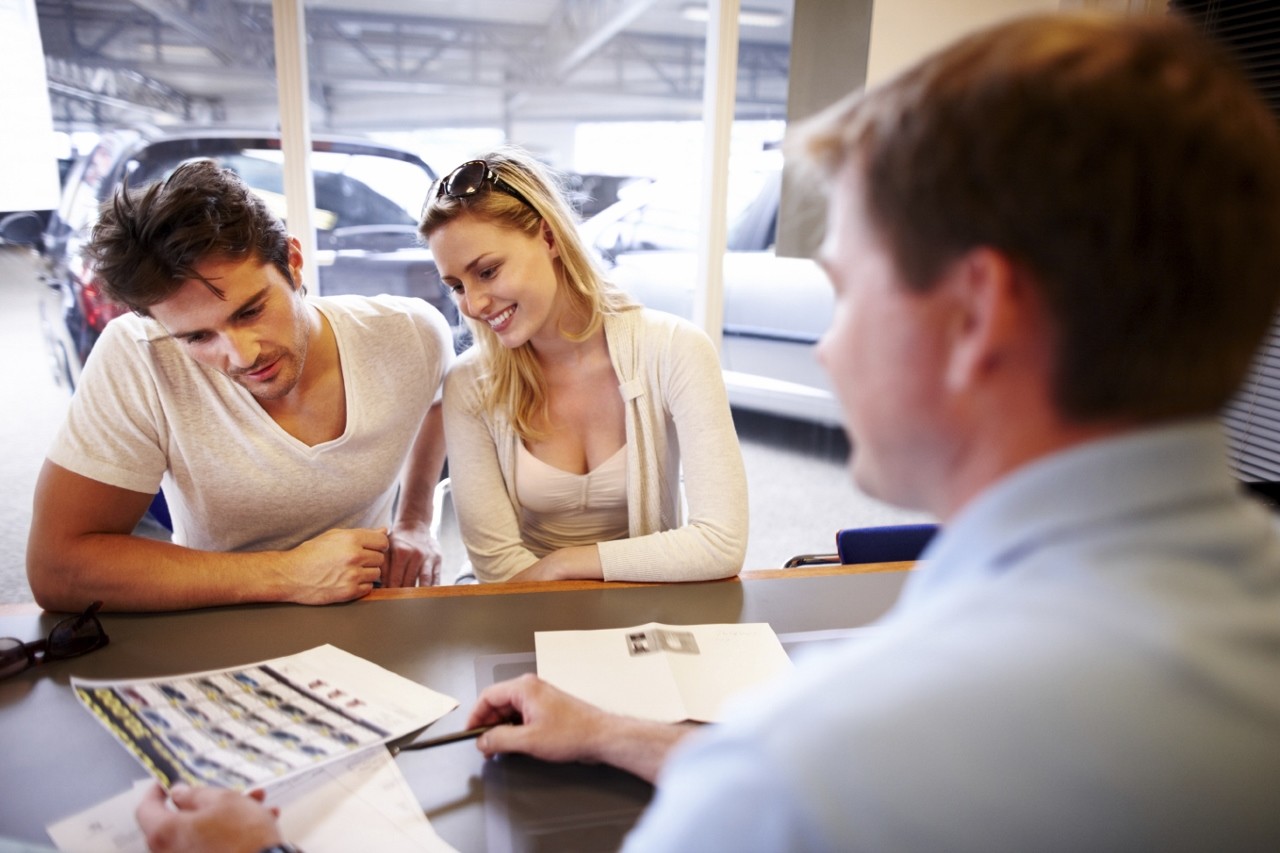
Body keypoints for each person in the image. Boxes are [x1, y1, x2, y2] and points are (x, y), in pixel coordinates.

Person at [131, 11, 1280, 851]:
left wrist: (261, 848)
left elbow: (778, 775)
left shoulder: (806, 774)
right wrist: (620, 733)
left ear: (977, 314)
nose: (826, 349)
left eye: (846, 288)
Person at [27, 160, 454, 612]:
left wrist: (414, 519)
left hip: (366, 610)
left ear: (292, 262)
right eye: (198, 337)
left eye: (250, 312)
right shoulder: (140, 355)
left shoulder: (409, 333)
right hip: (213, 617)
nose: (243, 355)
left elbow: (435, 401)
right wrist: (288, 574)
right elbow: (56, 568)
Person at [419, 147, 748, 582]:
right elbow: (497, 567)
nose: (474, 305)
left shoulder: (674, 349)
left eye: (488, 271)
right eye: (457, 286)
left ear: (549, 237)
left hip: (640, 596)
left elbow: (720, 542)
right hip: (518, 597)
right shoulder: (471, 382)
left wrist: (563, 563)